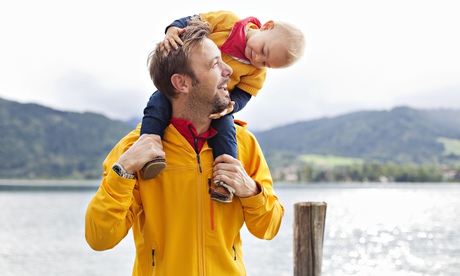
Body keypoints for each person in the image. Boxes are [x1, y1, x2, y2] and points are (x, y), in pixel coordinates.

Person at [85, 17, 284, 275]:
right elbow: (99, 238)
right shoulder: (134, 149)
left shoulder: (243, 143)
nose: (230, 72)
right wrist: (123, 169)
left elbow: (269, 228)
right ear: (182, 83)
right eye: (215, 64)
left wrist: (250, 190)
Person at [140, 10, 306, 203]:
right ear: (266, 27)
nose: (258, 60)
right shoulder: (227, 22)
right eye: (264, 51)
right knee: (156, 106)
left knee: (226, 131)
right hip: (181, 88)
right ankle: (149, 150)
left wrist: (231, 106)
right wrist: (172, 31)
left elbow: (244, 93)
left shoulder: (256, 72)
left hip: (219, 102)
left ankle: (225, 181)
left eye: (266, 63)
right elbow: (192, 20)